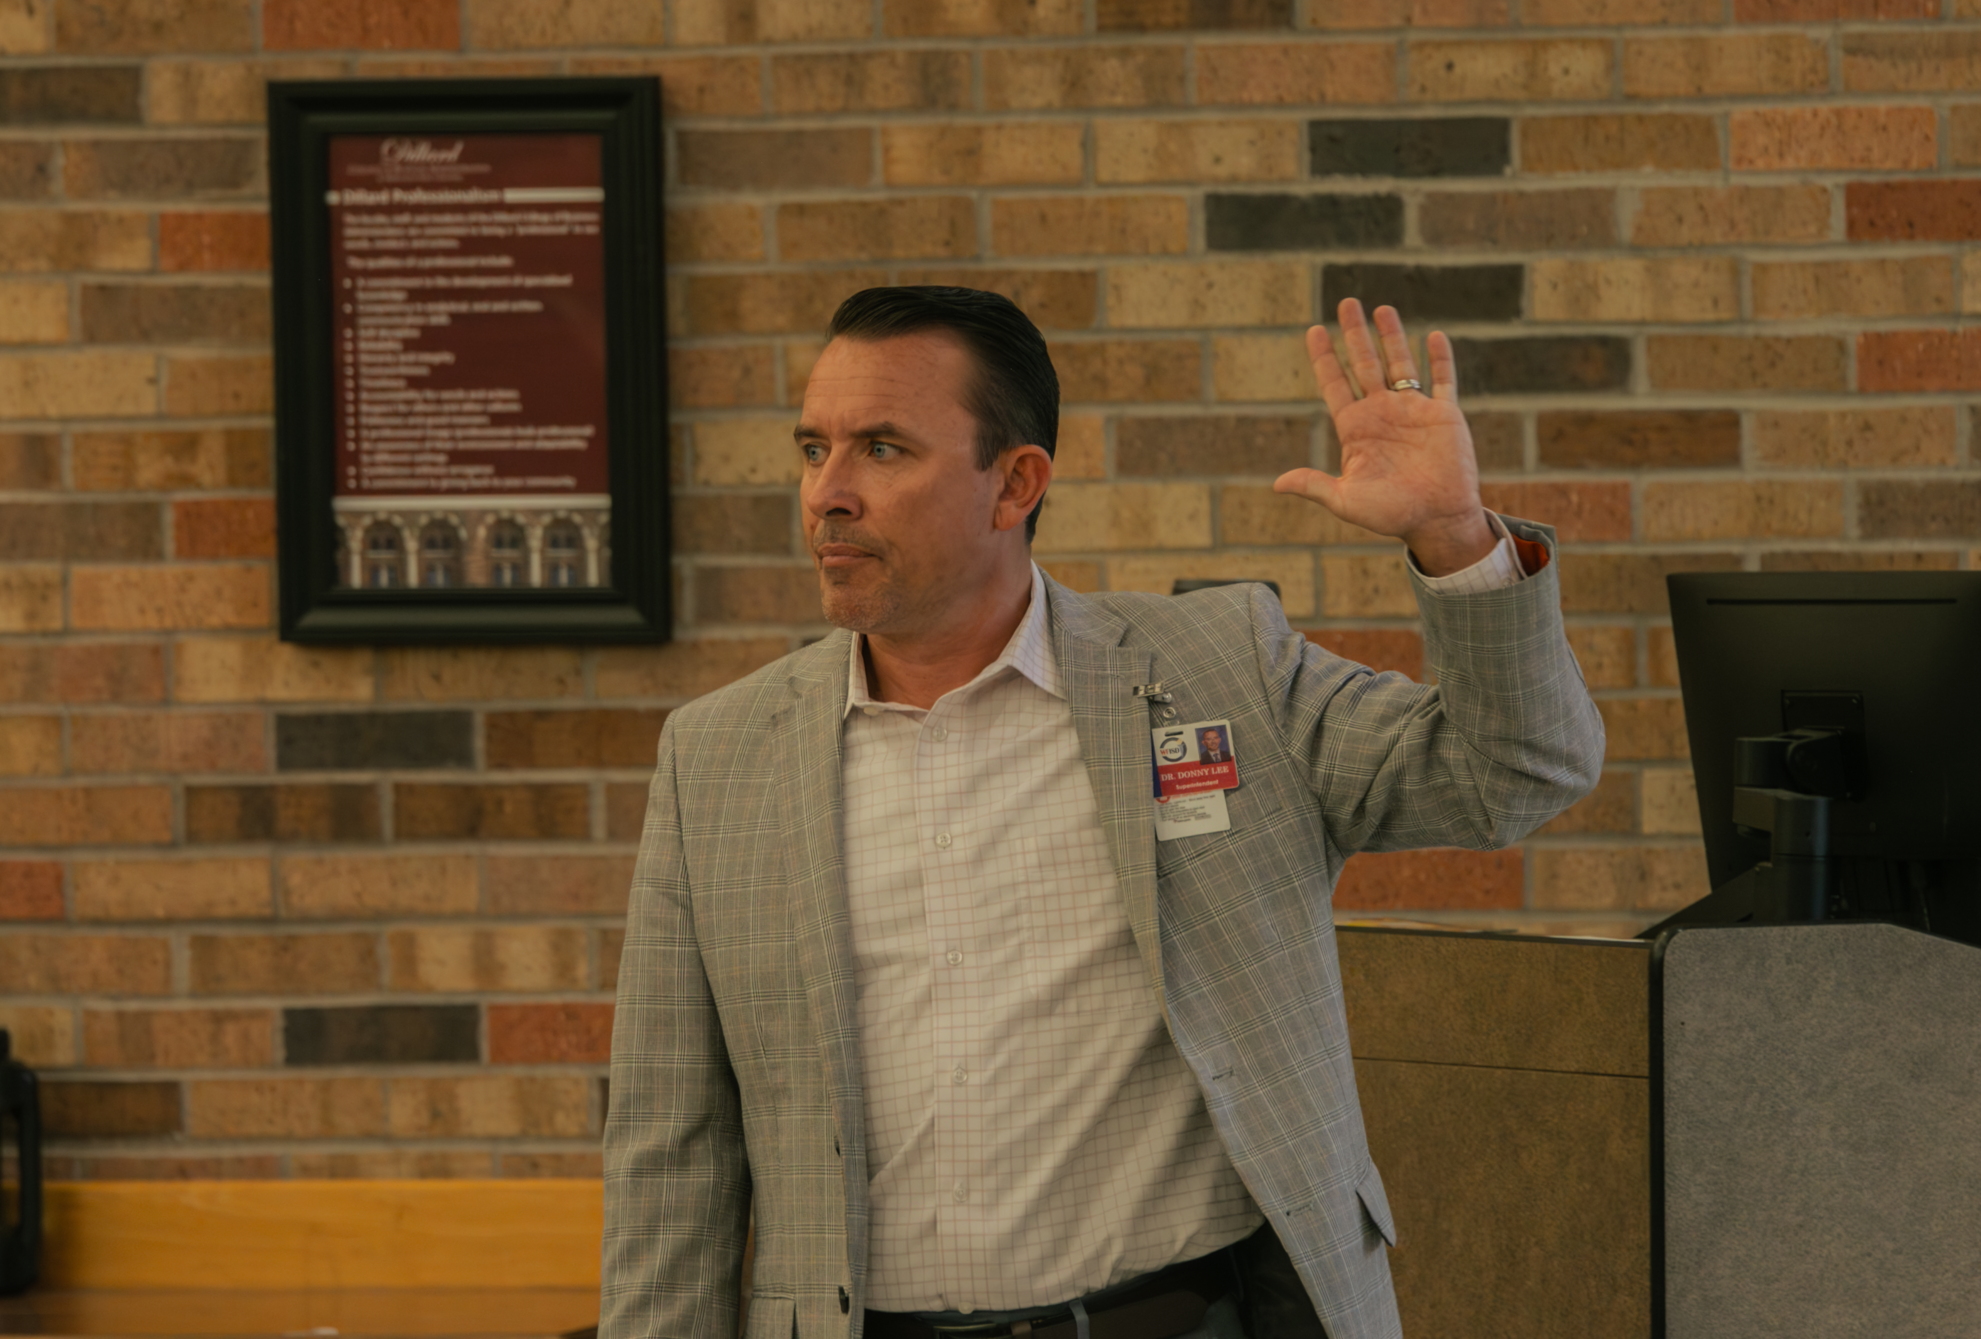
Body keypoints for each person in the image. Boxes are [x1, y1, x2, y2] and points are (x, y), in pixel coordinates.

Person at [601, 288, 1603, 1339]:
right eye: (814, 450)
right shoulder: (714, 757)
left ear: (1014, 484)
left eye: (884, 450)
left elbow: (1516, 772)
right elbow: (669, 1154)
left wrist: (1451, 536)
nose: (828, 495)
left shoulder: (1219, 670)